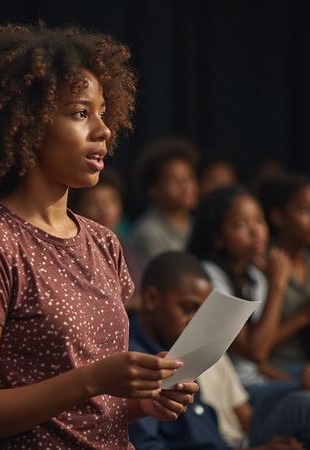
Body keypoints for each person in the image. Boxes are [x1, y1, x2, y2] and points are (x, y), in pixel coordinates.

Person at [0, 22, 198, 449]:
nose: (104, 129)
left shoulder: (103, 241)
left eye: (102, 112)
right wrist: (91, 379)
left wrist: (143, 403)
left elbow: (90, 412)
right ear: (27, 125)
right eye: (81, 113)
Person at [129, 251, 307, 449]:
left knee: (301, 406)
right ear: (152, 299)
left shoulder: (178, 347)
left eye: (203, 311)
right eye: (188, 308)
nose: (197, 320)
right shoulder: (138, 362)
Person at [187, 185, 307, 405]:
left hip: (257, 378)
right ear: (218, 237)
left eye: (259, 220)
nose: (256, 231)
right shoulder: (210, 277)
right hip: (233, 392)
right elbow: (254, 351)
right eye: (240, 224)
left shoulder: (254, 275)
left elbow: (261, 359)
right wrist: (278, 286)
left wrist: (292, 381)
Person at [68, 166, 143, 314]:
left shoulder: (122, 244)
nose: (105, 210)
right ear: (76, 209)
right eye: (93, 203)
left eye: (111, 201)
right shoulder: (77, 250)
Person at [259, 173, 310, 374]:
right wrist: (301, 317)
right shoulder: (262, 262)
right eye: (305, 210)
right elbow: (254, 347)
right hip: (274, 367)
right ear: (278, 217)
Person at [131, 137, 199, 268]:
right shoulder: (149, 233)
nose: (186, 186)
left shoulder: (194, 223)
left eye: (189, 177)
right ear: (154, 191)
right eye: (175, 180)